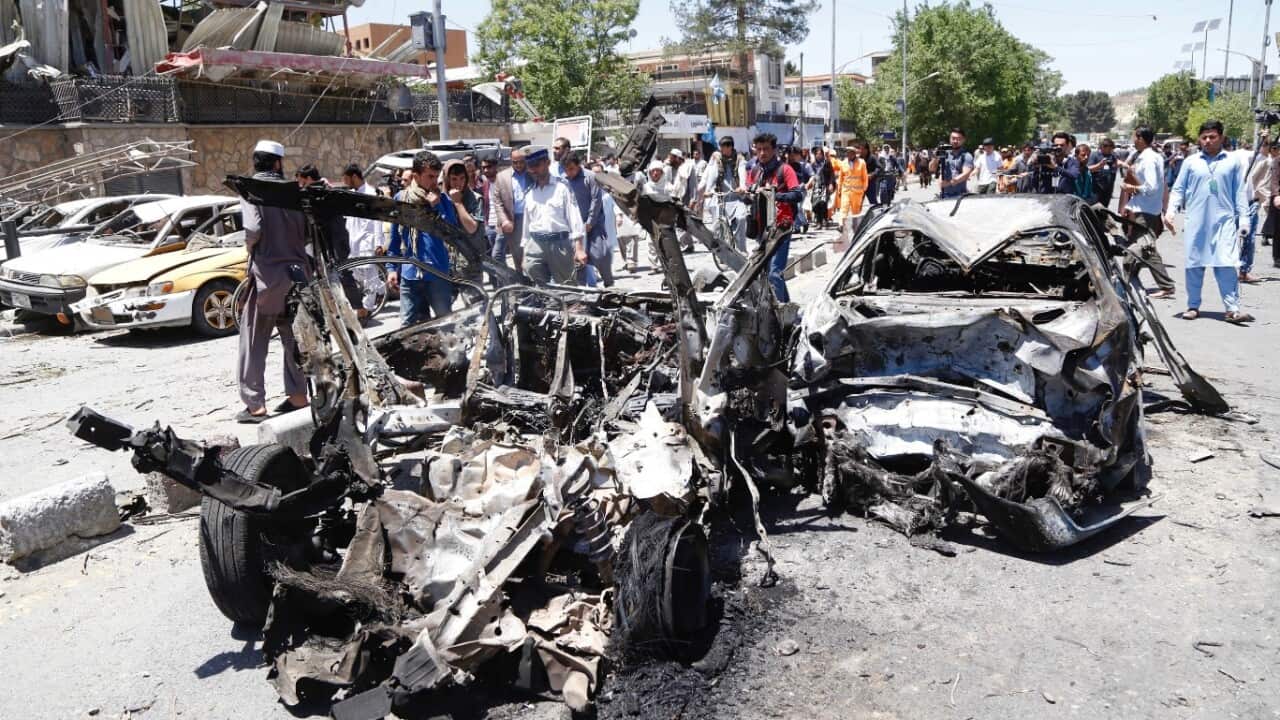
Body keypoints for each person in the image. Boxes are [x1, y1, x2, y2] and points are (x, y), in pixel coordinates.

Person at [236, 140, 309, 424]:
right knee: (294, 339)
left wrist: (251, 247)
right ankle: (298, 396)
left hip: (266, 276)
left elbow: (253, 228)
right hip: (297, 275)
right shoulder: (292, 191)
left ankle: (255, 405)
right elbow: (305, 232)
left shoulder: (251, 189)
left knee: (253, 340)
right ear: (278, 163)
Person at [1165, 120, 1254, 324]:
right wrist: (1171, 211)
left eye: (1212, 137)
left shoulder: (1232, 162)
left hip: (1224, 222)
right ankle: (1193, 305)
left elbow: (1239, 192)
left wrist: (1244, 220)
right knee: (1194, 265)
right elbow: (1178, 189)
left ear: (1221, 137)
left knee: (1225, 264)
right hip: (1196, 221)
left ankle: (1232, 309)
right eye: (1204, 137)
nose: (1207, 141)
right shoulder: (1190, 162)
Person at [387, 151, 458, 324]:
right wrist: (390, 268)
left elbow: (452, 233)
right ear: (416, 176)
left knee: (446, 324)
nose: (434, 182)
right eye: (430, 177)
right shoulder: (401, 199)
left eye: (436, 176)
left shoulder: (443, 201)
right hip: (410, 274)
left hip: (437, 274)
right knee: (407, 326)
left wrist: (434, 209)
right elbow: (395, 237)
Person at [741, 132, 802, 302]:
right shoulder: (754, 171)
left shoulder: (785, 169)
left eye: (766, 149)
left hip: (781, 228)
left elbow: (797, 195)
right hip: (762, 229)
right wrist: (745, 194)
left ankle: (781, 317)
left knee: (775, 273)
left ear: (774, 150)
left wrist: (774, 195)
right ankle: (788, 309)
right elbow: (748, 197)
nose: (762, 153)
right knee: (769, 273)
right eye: (758, 149)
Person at [1117, 126, 1177, 298]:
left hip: (1145, 210)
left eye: (1134, 136)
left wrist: (1131, 187)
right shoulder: (1146, 157)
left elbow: (1151, 187)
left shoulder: (1149, 159)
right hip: (1143, 208)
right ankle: (1126, 281)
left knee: (1144, 248)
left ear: (1141, 138)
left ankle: (1164, 285)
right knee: (1139, 246)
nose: (1132, 140)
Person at [521, 146, 586, 284]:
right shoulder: (529, 193)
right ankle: (549, 303)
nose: (533, 170)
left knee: (567, 287)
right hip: (535, 244)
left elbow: (574, 217)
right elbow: (527, 224)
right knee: (534, 276)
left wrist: (579, 248)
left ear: (547, 162)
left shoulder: (562, 187)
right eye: (530, 166)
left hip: (559, 244)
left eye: (536, 165)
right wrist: (524, 252)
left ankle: (569, 303)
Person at [340, 163, 387, 322]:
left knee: (369, 276)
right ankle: (383, 289)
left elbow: (378, 220)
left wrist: (379, 242)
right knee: (357, 275)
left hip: (368, 241)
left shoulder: (370, 193)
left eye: (347, 178)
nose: (345, 182)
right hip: (354, 242)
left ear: (354, 176)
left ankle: (366, 310)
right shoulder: (351, 194)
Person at [562, 152, 613, 286]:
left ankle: (608, 282)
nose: (569, 172)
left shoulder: (590, 177)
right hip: (575, 227)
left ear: (578, 165)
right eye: (566, 169)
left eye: (571, 168)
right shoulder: (563, 180)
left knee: (600, 255)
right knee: (579, 259)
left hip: (593, 224)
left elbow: (596, 200)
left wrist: (590, 221)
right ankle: (583, 288)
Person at [701, 136, 750, 251]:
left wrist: (742, 186)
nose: (723, 150)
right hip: (721, 197)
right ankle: (721, 252)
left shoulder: (739, 159)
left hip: (736, 197)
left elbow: (742, 173)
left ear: (731, 147)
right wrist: (709, 190)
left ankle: (741, 250)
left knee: (741, 218)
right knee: (717, 226)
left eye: (726, 147)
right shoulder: (716, 158)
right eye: (721, 147)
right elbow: (712, 175)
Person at [441, 159, 484, 283]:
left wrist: (458, 203)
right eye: (454, 179)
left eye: (462, 178)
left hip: (470, 263)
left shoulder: (475, 199)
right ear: (447, 179)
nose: (458, 183)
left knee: (475, 301)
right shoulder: (440, 200)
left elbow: (472, 228)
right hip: (447, 263)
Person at [491, 148, 531, 273]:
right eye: (515, 162)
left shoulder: (533, 174)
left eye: (521, 162)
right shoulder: (501, 177)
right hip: (511, 220)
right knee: (516, 257)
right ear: (510, 161)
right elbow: (497, 201)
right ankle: (519, 285)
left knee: (530, 256)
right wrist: (504, 220)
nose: (518, 165)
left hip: (531, 219)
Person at [1239, 140, 1270, 283]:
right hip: (1238, 203)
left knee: (1248, 238)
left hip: (1248, 202)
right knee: (1240, 238)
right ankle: (1234, 270)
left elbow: (1262, 151)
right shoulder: (1245, 156)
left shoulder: (1250, 156)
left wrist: (1265, 137)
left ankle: (1243, 271)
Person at [665, 148, 699, 251]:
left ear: (678, 158)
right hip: (673, 199)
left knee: (683, 223)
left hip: (686, 199)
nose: (670, 160)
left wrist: (693, 200)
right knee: (679, 223)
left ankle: (685, 245)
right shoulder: (669, 168)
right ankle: (688, 245)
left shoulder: (688, 167)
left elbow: (693, 185)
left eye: (672, 158)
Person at [831, 144, 869, 229]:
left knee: (856, 211)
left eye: (850, 153)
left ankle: (855, 226)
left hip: (857, 192)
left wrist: (864, 188)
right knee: (844, 208)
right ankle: (841, 225)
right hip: (846, 190)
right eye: (847, 153)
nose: (848, 155)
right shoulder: (844, 163)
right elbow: (841, 177)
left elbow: (865, 177)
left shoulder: (861, 163)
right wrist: (839, 189)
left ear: (854, 154)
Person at [930, 128, 974, 198]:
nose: (955, 141)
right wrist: (935, 157)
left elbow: (965, 174)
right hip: (944, 194)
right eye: (953, 138)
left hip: (960, 195)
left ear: (963, 140)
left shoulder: (966, 155)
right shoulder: (944, 153)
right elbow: (932, 169)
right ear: (949, 139)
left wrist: (948, 183)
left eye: (958, 139)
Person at [786, 145, 813, 235]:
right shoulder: (788, 165)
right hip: (790, 190)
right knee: (793, 208)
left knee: (798, 208)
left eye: (794, 155)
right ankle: (796, 227)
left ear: (799, 155)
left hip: (801, 189)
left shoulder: (805, 165)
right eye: (791, 155)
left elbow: (812, 176)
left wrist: (807, 184)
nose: (792, 157)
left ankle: (804, 223)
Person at [1088, 138, 1119, 209]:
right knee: (1094, 209)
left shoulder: (1113, 156)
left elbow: (1115, 167)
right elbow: (1088, 169)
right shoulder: (1094, 155)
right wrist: (1099, 165)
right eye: (1109, 148)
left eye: (1112, 148)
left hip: (1108, 189)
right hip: (1096, 189)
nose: (1111, 150)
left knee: (1104, 209)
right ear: (1102, 147)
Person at [809, 146, 834, 229]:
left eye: (820, 154)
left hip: (824, 186)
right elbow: (810, 175)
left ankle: (824, 220)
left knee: (823, 203)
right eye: (817, 154)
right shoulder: (813, 164)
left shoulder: (826, 163)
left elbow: (831, 174)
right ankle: (818, 221)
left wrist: (831, 184)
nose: (819, 155)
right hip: (815, 187)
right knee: (816, 205)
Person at [480, 156, 500, 255]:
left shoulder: (504, 182)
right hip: (489, 225)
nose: (486, 170)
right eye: (483, 168)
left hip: (502, 224)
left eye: (488, 167)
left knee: (497, 255)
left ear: (496, 167)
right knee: (496, 257)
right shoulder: (484, 185)